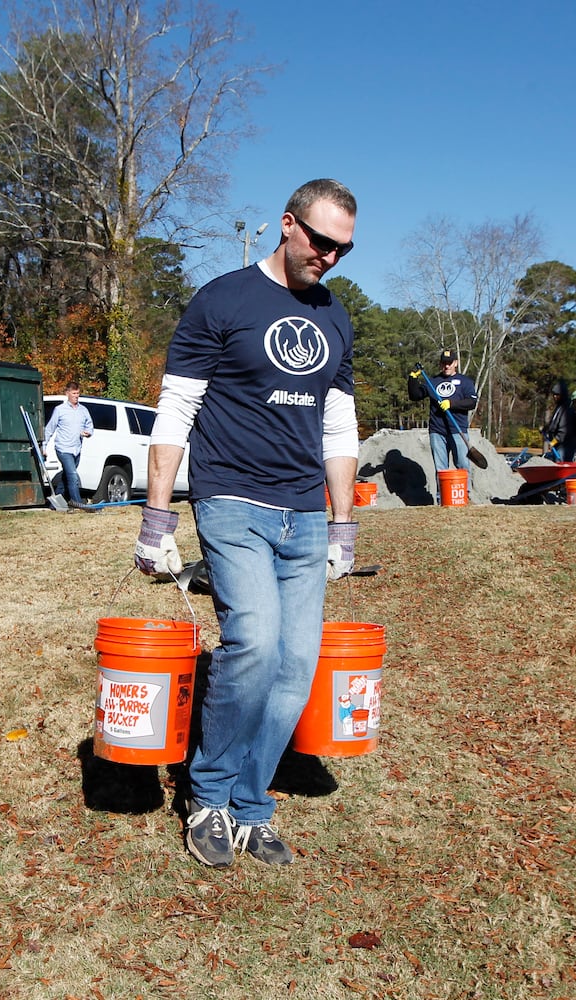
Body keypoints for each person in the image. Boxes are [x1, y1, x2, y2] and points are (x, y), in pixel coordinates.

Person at [134, 178, 361, 869]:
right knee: (255, 645)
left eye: (343, 249)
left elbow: (338, 421)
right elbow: (175, 410)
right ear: (287, 226)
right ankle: (207, 795)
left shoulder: (336, 317)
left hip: (304, 512)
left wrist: (343, 524)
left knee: (296, 666)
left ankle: (250, 803)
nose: (329, 257)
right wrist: (155, 516)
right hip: (231, 499)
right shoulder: (222, 299)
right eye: (320, 241)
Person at [408, 349, 478, 472]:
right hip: (437, 431)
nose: (447, 366)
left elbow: (471, 402)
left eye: (450, 363)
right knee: (441, 469)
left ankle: (464, 491)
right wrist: (412, 379)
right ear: (440, 364)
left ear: (455, 363)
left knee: (462, 466)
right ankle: (441, 492)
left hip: (458, 429)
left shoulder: (465, 382)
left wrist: (452, 403)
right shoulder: (433, 382)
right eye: (444, 363)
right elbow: (415, 395)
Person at [43, 382, 94, 509]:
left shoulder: (83, 410)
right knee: (73, 476)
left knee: (66, 477)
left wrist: (88, 433)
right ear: (67, 394)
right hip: (63, 449)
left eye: (78, 393)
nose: (76, 396)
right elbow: (49, 429)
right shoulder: (60, 410)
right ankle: (78, 503)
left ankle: (54, 504)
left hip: (76, 449)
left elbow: (90, 425)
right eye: (74, 393)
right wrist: (43, 447)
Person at [539, 379, 576, 463]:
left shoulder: (566, 409)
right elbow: (554, 423)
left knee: (561, 465)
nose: (555, 397)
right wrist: (545, 429)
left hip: (564, 445)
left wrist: (553, 442)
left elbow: (563, 431)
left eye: (557, 395)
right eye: (554, 394)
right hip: (558, 444)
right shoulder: (559, 408)